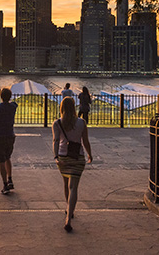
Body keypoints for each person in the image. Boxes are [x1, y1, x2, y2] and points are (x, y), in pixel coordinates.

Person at [52, 97, 92, 233]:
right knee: (73, 187)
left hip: (63, 157)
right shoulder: (81, 122)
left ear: (61, 107)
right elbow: (85, 141)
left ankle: (68, 208)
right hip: (77, 157)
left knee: (65, 184)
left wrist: (56, 156)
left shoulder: (57, 123)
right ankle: (69, 217)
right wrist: (90, 154)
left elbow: (56, 141)